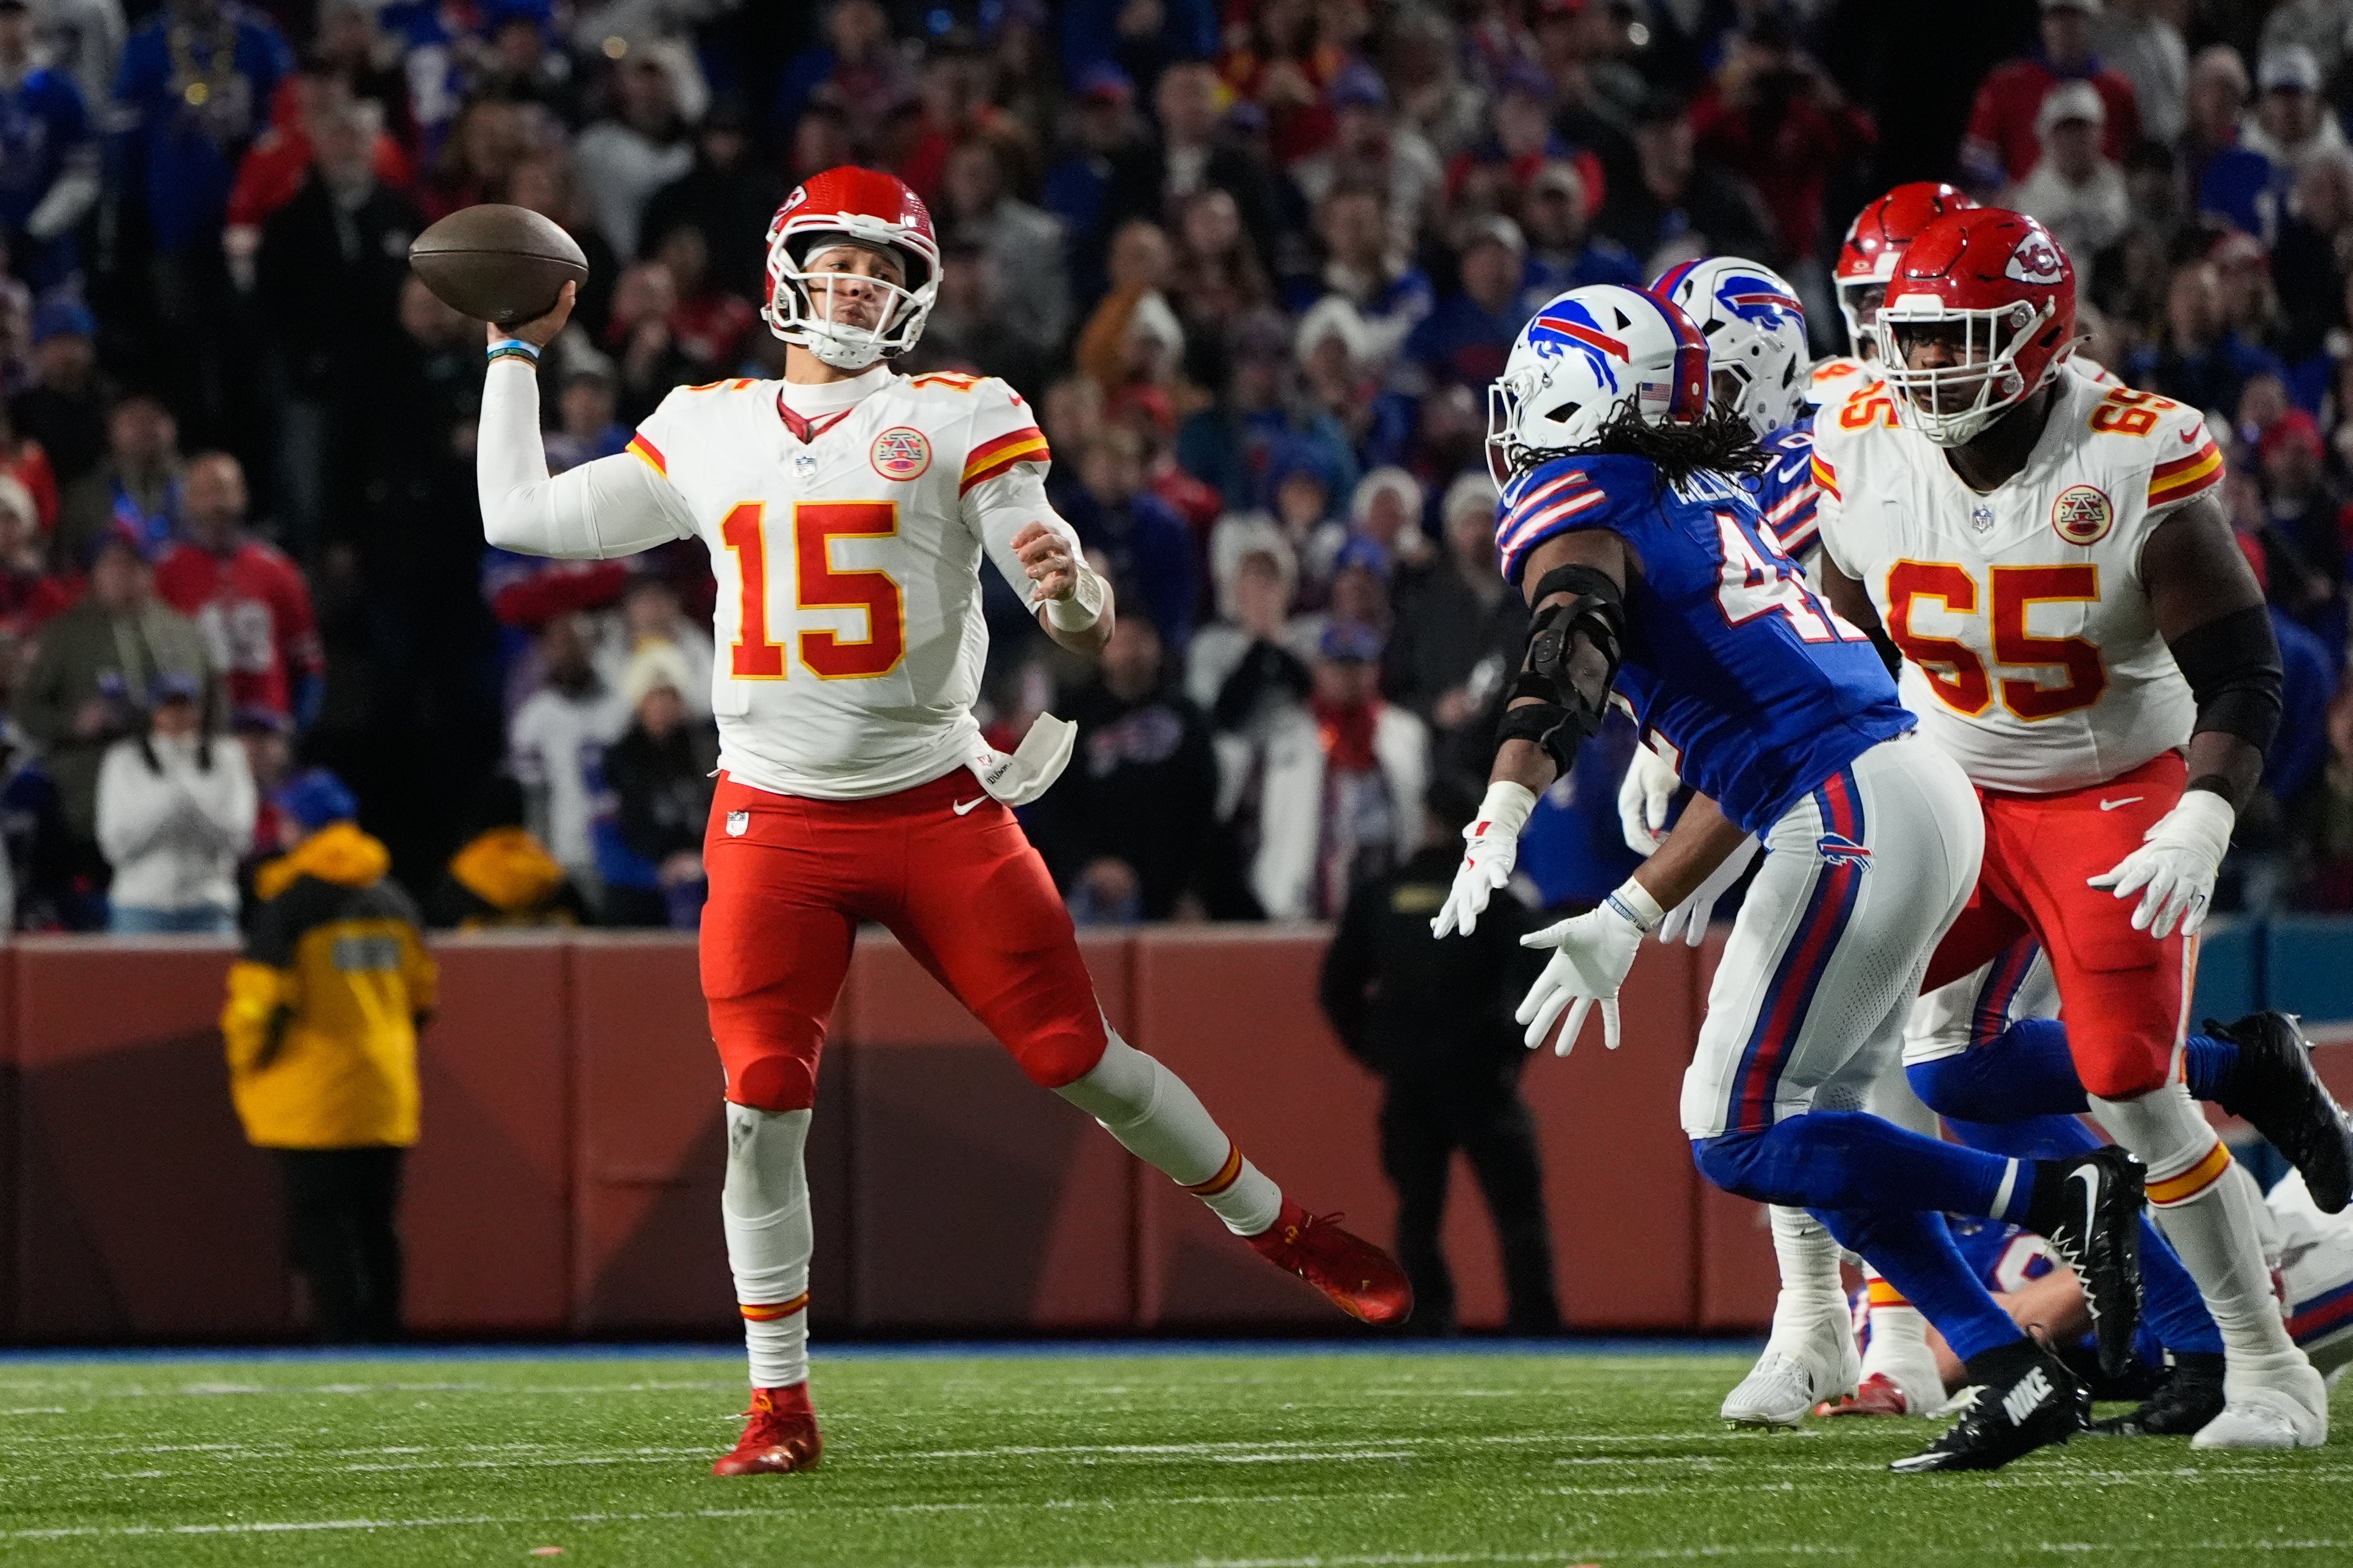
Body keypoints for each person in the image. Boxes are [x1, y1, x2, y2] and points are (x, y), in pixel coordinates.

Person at [473, 164, 1411, 1476]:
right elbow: (514, 516)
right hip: (775, 819)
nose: (860, 284)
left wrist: (1073, 593)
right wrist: (513, 351)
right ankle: (779, 1401)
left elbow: (1069, 602)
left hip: (935, 803)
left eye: (887, 269)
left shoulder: (962, 412)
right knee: (758, 1104)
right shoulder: (707, 425)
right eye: (840, 260)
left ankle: (1281, 1225)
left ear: (916, 297)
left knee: (1078, 1057)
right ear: (788, 269)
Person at [1438, 281, 2144, 1474]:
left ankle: (2053, 1196)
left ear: (1569, 396)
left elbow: (1564, 647)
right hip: (1893, 783)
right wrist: (1629, 905)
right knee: (1812, 1121)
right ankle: (2008, 1369)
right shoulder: (1703, 484)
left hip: (1851, 799)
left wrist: (1501, 803)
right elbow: (1753, 711)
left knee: (1730, 1130)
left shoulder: (1580, 496)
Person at [1812, 207, 2329, 1450]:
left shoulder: (2128, 452)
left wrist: (2202, 816)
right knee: (1893, 1057)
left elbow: (2244, 673)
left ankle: (2265, 1369)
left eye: (1954, 341)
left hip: (2106, 790)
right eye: (1908, 338)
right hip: (1946, 788)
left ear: (2035, 337)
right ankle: (1882, 1333)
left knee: (2126, 1085)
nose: (1922, 366)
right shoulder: (1856, 437)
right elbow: (1832, 648)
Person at [1320, 773, 1561, 1336]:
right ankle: (1534, 1324)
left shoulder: (1383, 893)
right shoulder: (1500, 895)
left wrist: (1375, 1050)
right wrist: (1509, 1049)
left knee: (1417, 1213)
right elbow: (1540, 982)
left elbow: (1336, 988)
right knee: (1516, 1212)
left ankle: (1427, 1321)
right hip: (1481, 1079)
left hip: (1409, 1079)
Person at [220, 768, 434, 1343]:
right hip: (384, 1090)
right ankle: (387, 1341)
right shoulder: (393, 897)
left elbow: (261, 1005)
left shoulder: (291, 905)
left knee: (322, 1232)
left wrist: (246, 1065)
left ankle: (342, 1344)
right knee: (377, 1227)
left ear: (303, 828)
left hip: (312, 1094)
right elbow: (422, 998)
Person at [12, 524, 213, 858]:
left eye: (134, 565)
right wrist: (73, 723)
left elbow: (214, 705)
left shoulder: (182, 631)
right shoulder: (66, 634)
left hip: (177, 784)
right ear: (95, 574)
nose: (124, 574)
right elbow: (25, 710)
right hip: (91, 788)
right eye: (113, 565)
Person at [152, 452, 324, 731]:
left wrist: (296, 729)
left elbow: (308, 663)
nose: (216, 503)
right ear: (187, 500)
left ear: (242, 496)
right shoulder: (162, 574)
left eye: (224, 491)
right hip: (192, 732)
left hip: (264, 733)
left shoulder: (279, 571)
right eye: (205, 493)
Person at [93, 670, 253, 934]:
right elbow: (114, 846)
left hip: (210, 905)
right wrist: (168, 811)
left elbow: (239, 839)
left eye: (185, 705)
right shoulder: (124, 759)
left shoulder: (228, 756)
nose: (177, 714)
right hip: (141, 906)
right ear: (153, 710)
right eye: (168, 706)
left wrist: (191, 810)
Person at [1960, 0, 2142, 192]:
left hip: (2107, 208)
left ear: (2094, 23)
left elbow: (2134, 156)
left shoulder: (2118, 89)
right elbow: (1977, 159)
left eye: (2075, 17)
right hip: (2024, 209)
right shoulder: (2006, 85)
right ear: (2043, 23)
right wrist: (2012, 195)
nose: (2065, 26)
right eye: (2057, 16)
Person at [597, 641, 717, 929]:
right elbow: (605, 840)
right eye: (655, 696)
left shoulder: (704, 753)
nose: (663, 705)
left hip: (702, 877)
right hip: (639, 891)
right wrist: (654, 873)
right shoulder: (615, 761)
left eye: (670, 695)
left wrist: (706, 863)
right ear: (639, 701)